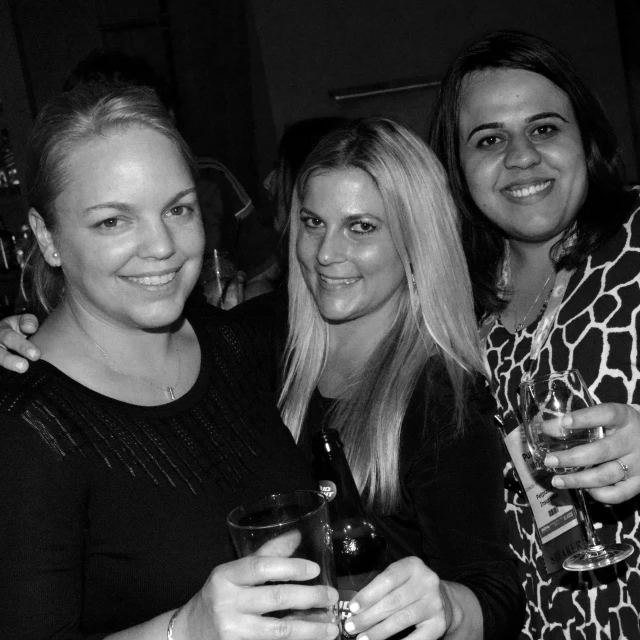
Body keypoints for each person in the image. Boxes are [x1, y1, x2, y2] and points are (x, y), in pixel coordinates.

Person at [0, 85, 340, 639]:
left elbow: (354, 291)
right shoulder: (25, 428)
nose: (162, 246)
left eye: (177, 209)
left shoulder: (234, 344)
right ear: (47, 236)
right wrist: (188, 631)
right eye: (113, 221)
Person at [428, 30, 640, 639]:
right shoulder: (455, 309)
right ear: (457, 167)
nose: (521, 156)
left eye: (545, 128)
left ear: (586, 138)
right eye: (489, 139)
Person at [280, 118, 524, 639]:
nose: (326, 253)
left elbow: (496, 592)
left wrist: (448, 608)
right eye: (313, 222)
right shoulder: (273, 363)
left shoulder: (438, 395)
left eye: (361, 227)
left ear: (416, 241)